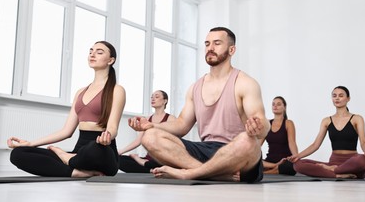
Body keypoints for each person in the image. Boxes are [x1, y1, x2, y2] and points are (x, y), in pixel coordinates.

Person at [129, 27, 270, 183]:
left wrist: (259, 126)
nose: (210, 48)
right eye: (207, 43)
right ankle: (211, 173)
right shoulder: (195, 87)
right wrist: (150, 126)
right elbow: (181, 125)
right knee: (150, 137)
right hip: (205, 151)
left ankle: (190, 173)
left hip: (236, 153)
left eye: (217, 43)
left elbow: (262, 123)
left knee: (247, 140)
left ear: (231, 49)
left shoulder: (245, 83)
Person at [7, 41, 126, 178]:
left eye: (99, 52)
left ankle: (65, 157)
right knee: (18, 153)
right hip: (79, 153)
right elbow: (66, 131)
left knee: (93, 149)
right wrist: (30, 143)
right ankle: (75, 172)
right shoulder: (81, 92)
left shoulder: (117, 90)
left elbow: (112, 126)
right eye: (91, 51)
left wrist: (108, 136)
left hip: (102, 150)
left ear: (111, 60)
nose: (92, 54)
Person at [288, 86, 365, 179]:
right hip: (333, 162)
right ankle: (337, 174)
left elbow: (364, 142)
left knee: (364, 160)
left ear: (348, 99)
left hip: (351, 163)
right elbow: (315, 145)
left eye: (341, 95)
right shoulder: (326, 120)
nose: (337, 98)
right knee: (298, 165)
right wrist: (297, 156)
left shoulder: (357, 118)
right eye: (334, 96)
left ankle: (332, 170)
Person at [118, 90, 176, 173]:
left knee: (158, 162)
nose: (153, 99)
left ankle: (142, 162)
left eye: (156, 97)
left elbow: (175, 141)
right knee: (119, 160)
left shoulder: (171, 119)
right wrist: (121, 151)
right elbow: (138, 141)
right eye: (152, 97)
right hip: (149, 159)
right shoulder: (147, 119)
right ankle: (149, 167)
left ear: (165, 101)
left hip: (164, 158)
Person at [261, 96, 298, 175]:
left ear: (284, 107)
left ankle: (266, 173)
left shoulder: (288, 123)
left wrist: (296, 157)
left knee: (291, 166)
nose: (275, 106)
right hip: (269, 161)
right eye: (273, 104)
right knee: (253, 163)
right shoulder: (267, 123)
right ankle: (275, 167)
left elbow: (292, 143)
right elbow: (258, 144)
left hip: (284, 161)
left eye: (278, 104)